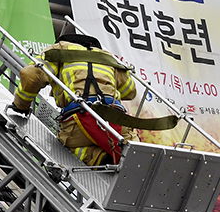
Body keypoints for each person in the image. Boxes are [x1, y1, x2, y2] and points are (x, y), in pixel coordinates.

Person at [12, 31, 174, 166]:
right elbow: (130, 92)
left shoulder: (59, 51)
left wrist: (21, 106)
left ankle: (96, 158)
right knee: (134, 156)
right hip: (115, 119)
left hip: (77, 120)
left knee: (63, 148)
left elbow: (30, 76)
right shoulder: (108, 58)